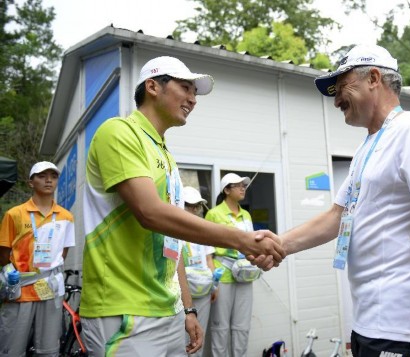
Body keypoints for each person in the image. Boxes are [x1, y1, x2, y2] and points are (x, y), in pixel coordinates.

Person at [252, 45, 410, 357]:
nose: (335, 102)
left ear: (374, 78)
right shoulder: (368, 147)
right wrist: (281, 244)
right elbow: (337, 217)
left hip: (403, 329)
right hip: (367, 325)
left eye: (341, 87)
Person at [80, 56, 284, 356]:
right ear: (152, 86)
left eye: (195, 92)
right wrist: (242, 240)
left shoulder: (166, 155)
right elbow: (151, 214)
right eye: (185, 88)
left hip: (169, 312)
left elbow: (170, 241)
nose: (192, 99)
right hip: (123, 310)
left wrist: (187, 309)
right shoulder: (119, 132)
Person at [0, 161, 75, 357]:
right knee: (11, 350)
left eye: (53, 176)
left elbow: (62, 253)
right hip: (20, 291)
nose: (48, 180)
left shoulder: (66, 217)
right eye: (42, 176)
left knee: (49, 351)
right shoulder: (14, 214)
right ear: (30, 182)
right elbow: (3, 254)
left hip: (50, 290)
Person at [205, 173, 258, 357]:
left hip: (245, 275)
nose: (243, 188)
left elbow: (252, 244)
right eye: (238, 185)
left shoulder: (246, 215)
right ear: (226, 190)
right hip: (223, 276)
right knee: (220, 327)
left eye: (244, 185)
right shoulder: (213, 214)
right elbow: (207, 250)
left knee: (242, 326)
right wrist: (214, 281)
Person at [181, 186, 216, 357]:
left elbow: (209, 259)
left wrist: (214, 287)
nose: (194, 210)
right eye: (190, 205)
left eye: (197, 206)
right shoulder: (172, 228)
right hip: (181, 291)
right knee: (181, 337)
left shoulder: (203, 229)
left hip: (203, 290)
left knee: (199, 333)